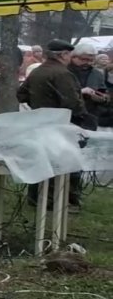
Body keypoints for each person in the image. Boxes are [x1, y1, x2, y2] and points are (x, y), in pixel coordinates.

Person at [19, 40, 93, 209]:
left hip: (40, 122)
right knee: (63, 162)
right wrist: (83, 117)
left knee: (41, 160)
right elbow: (73, 103)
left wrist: (39, 107)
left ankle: (35, 197)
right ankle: (56, 200)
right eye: (69, 55)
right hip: (61, 124)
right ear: (64, 55)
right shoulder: (62, 74)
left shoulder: (38, 71)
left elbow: (21, 94)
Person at [69, 40, 112, 129]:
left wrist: (103, 98)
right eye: (84, 59)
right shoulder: (64, 72)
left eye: (91, 60)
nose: (88, 63)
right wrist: (81, 92)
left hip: (92, 114)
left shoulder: (97, 74)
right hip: (70, 115)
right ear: (73, 57)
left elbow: (104, 93)